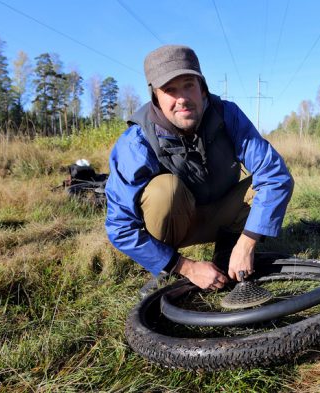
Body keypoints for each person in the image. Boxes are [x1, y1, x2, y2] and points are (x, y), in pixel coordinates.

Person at [105, 45, 294, 291]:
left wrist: (247, 242)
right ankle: (168, 266)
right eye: (169, 90)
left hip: (222, 215)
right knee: (165, 190)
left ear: (203, 89)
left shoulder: (228, 116)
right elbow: (120, 227)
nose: (182, 98)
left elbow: (275, 175)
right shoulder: (137, 141)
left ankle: (229, 252)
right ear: (155, 97)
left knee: (263, 185)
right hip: (175, 226)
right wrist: (187, 267)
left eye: (189, 85)